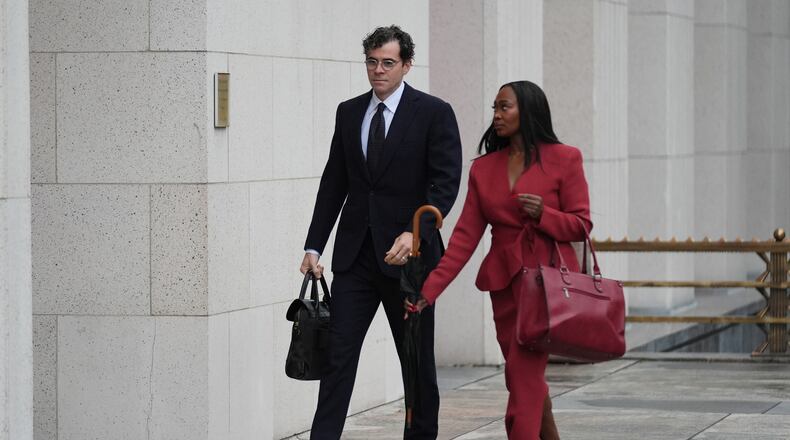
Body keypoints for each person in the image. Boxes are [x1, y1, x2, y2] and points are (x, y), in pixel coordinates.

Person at [300, 25, 463, 439]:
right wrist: (314, 245)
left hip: (410, 264)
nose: (378, 70)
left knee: (416, 363)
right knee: (337, 359)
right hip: (355, 259)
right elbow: (334, 183)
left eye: (388, 63)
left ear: (407, 65)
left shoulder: (434, 112)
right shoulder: (349, 112)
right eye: (372, 62)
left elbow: (444, 184)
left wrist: (415, 233)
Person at [406, 81, 592, 439]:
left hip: (548, 288)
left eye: (505, 107)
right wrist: (428, 291)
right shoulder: (484, 169)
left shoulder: (565, 158)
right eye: (495, 107)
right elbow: (463, 239)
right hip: (504, 287)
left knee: (523, 379)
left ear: (529, 111)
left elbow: (581, 225)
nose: (496, 115)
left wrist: (545, 215)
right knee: (522, 377)